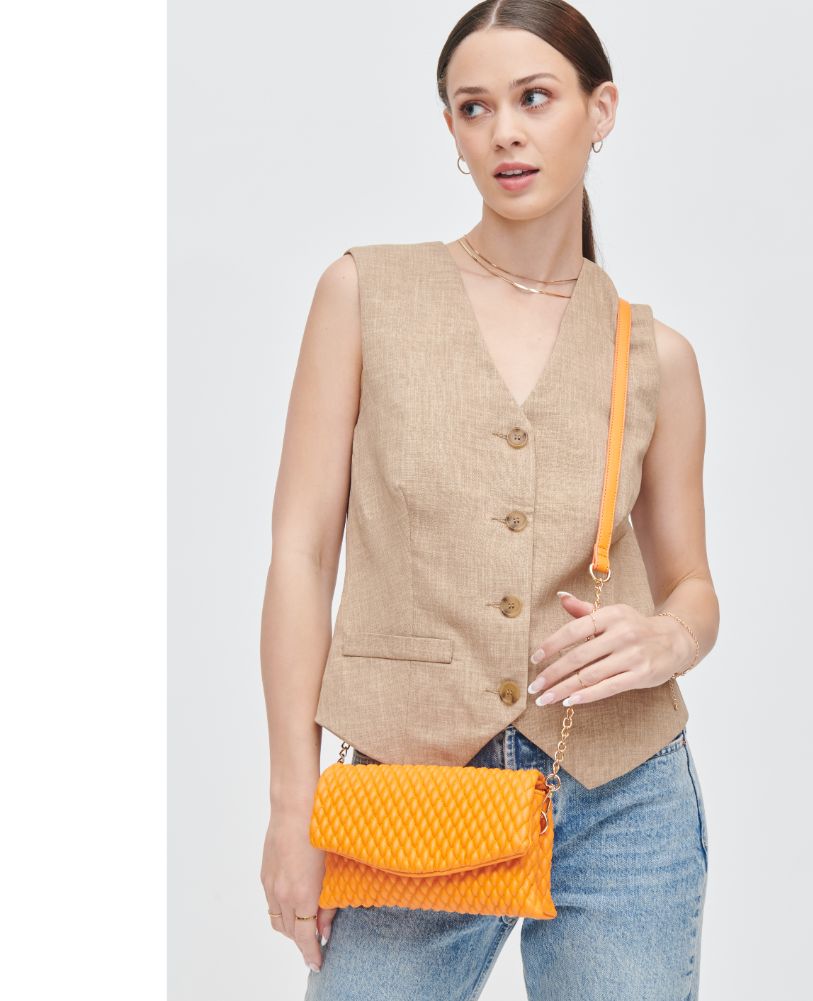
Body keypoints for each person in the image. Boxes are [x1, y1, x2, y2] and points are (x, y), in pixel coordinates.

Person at [260, 2, 719, 997]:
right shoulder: (363, 294)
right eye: (474, 107)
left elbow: (691, 584)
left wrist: (668, 639)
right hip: (408, 788)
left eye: (534, 98)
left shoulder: (656, 356)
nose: (504, 130)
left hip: (623, 795)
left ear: (600, 111)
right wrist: (293, 804)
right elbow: (300, 554)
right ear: (452, 131)